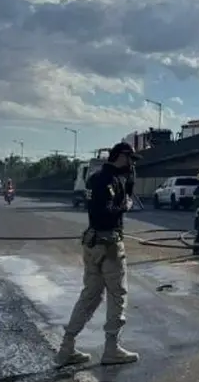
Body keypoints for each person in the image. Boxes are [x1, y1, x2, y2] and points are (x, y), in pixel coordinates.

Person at [55, 141, 140, 368]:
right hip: (109, 244)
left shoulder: (95, 178)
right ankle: (112, 349)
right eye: (131, 160)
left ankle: (66, 347)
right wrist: (125, 206)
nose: (131, 165)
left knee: (89, 296)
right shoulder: (110, 181)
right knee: (117, 295)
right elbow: (107, 213)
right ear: (122, 156)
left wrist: (129, 181)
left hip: (92, 243)